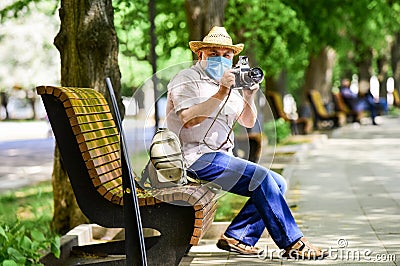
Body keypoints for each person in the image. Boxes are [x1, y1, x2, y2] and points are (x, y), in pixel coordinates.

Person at [165, 26, 327, 259]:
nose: (220, 58)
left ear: (232, 57)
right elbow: (188, 120)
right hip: (192, 158)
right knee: (261, 178)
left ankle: (238, 236)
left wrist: (248, 95)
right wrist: (222, 91)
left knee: (278, 183)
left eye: (226, 54)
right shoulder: (187, 79)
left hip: (221, 157)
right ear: (200, 55)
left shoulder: (229, 82)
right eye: (213, 54)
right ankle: (293, 242)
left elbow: (248, 121)